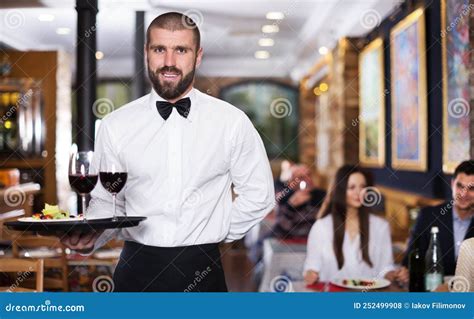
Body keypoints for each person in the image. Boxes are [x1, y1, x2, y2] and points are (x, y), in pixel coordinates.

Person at [61, 12, 275, 292]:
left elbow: (260, 195)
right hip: (135, 271)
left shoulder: (231, 122)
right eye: (159, 49)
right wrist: (93, 237)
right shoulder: (115, 125)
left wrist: (214, 233)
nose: (169, 62)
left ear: (197, 56)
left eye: (181, 50)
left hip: (203, 271)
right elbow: (107, 202)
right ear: (147, 53)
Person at [303, 165, 401, 284]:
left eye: (363, 187)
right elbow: (311, 266)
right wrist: (310, 275)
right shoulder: (322, 227)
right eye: (351, 187)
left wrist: (394, 275)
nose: (358, 192)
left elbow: (386, 268)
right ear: (341, 190)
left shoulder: (381, 226)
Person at [399, 160, 474, 281]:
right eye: (460, 186)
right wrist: (406, 272)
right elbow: (410, 259)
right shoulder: (428, 216)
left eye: (471, 189)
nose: (463, 194)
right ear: (452, 184)